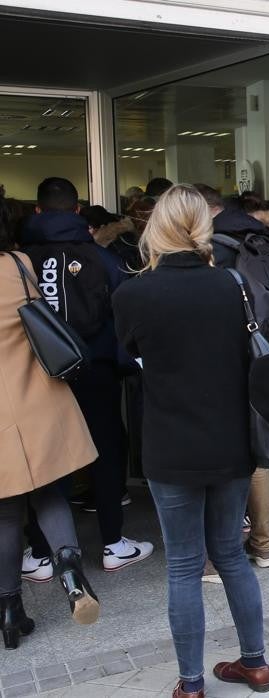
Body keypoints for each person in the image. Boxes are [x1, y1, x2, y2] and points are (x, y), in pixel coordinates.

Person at [112, 185, 269, 697]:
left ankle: (191, 684)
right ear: (203, 227)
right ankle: (256, 665)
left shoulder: (132, 293)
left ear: (154, 227)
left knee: (183, 563)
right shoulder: (231, 284)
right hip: (229, 441)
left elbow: (130, 356)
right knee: (230, 553)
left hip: (169, 443)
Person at [19, 177, 154, 574]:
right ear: (78, 211)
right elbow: (124, 316)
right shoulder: (103, 259)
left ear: (38, 211)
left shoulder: (20, 261)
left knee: (48, 457)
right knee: (104, 451)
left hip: (40, 374)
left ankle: (41, 552)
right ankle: (113, 543)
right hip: (95, 370)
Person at [0, 194, 102, 650]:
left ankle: (9, 610)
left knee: (4, 513)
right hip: (38, 400)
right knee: (49, 493)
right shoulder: (19, 264)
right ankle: (70, 571)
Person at [196, 184, 269, 570]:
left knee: (219, 453)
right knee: (257, 451)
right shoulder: (262, 233)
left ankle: (219, 556)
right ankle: (265, 545)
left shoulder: (218, 244)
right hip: (267, 351)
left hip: (224, 357)